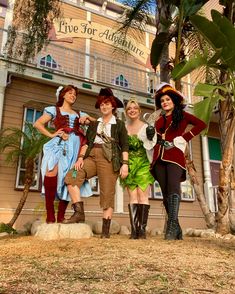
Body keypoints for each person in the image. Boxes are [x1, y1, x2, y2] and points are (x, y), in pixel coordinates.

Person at [64, 87, 129, 238]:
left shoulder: (119, 124)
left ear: (113, 106)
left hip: (109, 159)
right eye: (101, 104)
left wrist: (125, 164)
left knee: (107, 194)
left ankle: (105, 233)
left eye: (107, 103)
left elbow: (125, 145)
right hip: (91, 156)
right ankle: (79, 213)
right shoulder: (94, 125)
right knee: (71, 176)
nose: (104, 106)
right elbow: (86, 142)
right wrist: (80, 158)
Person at [147, 83, 207, 240]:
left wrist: (184, 137)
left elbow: (201, 125)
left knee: (173, 188)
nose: (165, 102)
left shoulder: (184, 115)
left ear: (174, 100)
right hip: (158, 157)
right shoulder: (158, 120)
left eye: (167, 99)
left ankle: (172, 227)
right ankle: (176, 228)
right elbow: (154, 138)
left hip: (175, 156)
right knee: (166, 193)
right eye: (162, 101)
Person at [34, 85, 94, 224]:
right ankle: (50, 215)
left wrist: (87, 118)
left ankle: (61, 216)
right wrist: (52, 134)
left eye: (75, 94)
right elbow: (38, 124)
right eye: (70, 93)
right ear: (63, 95)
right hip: (58, 144)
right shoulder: (54, 110)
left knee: (68, 178)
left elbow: (96, 124)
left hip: (75, 145)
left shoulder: (79, 114)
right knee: (51, 171)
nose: (73, 96)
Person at [121, 99, 156, 239]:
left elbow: (152, 145)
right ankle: (134, 231)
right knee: (132, 196)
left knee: (143, 196)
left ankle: (142, 231)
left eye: (135, 108)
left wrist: (151, 135)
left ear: (139, 111)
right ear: (126, 112)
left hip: (143, 163)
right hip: (128, 164)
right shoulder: (122, 127)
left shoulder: (146, 127)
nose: (132, 110)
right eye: (129, 108)